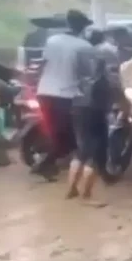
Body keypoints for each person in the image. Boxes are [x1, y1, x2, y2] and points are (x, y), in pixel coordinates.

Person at [33, 9, 94, 181]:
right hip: (65, 96)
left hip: (44, 91)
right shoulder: (85, 47)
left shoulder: (52, 40)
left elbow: (43, 64)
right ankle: (44, 164)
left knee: (57, 133)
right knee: (69, 137)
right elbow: (87, 73)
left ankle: (48, 165)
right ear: (83, 27)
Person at [66, 28, 124, 201]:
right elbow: (117, 89)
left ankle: (71, 190)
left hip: (78, 108)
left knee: (81, 151)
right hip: (97, 111)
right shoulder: (106, 60)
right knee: (96, 153)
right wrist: (126, 106)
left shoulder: (81, 59)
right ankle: (86, 194)